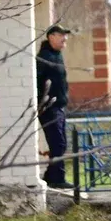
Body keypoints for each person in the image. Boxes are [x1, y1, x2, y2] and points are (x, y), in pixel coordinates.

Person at [36, 24, 74, 190]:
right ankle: (57, 179)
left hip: (58, 106)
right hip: (49, 108)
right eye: (61, 35)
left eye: (65, 35)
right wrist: (42, 102)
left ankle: (50, 176)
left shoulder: (56, 55)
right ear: (51, 36)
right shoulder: (44, 57)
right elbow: (37, 80)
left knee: (61, 143)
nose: (65, 38)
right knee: (57, 143)